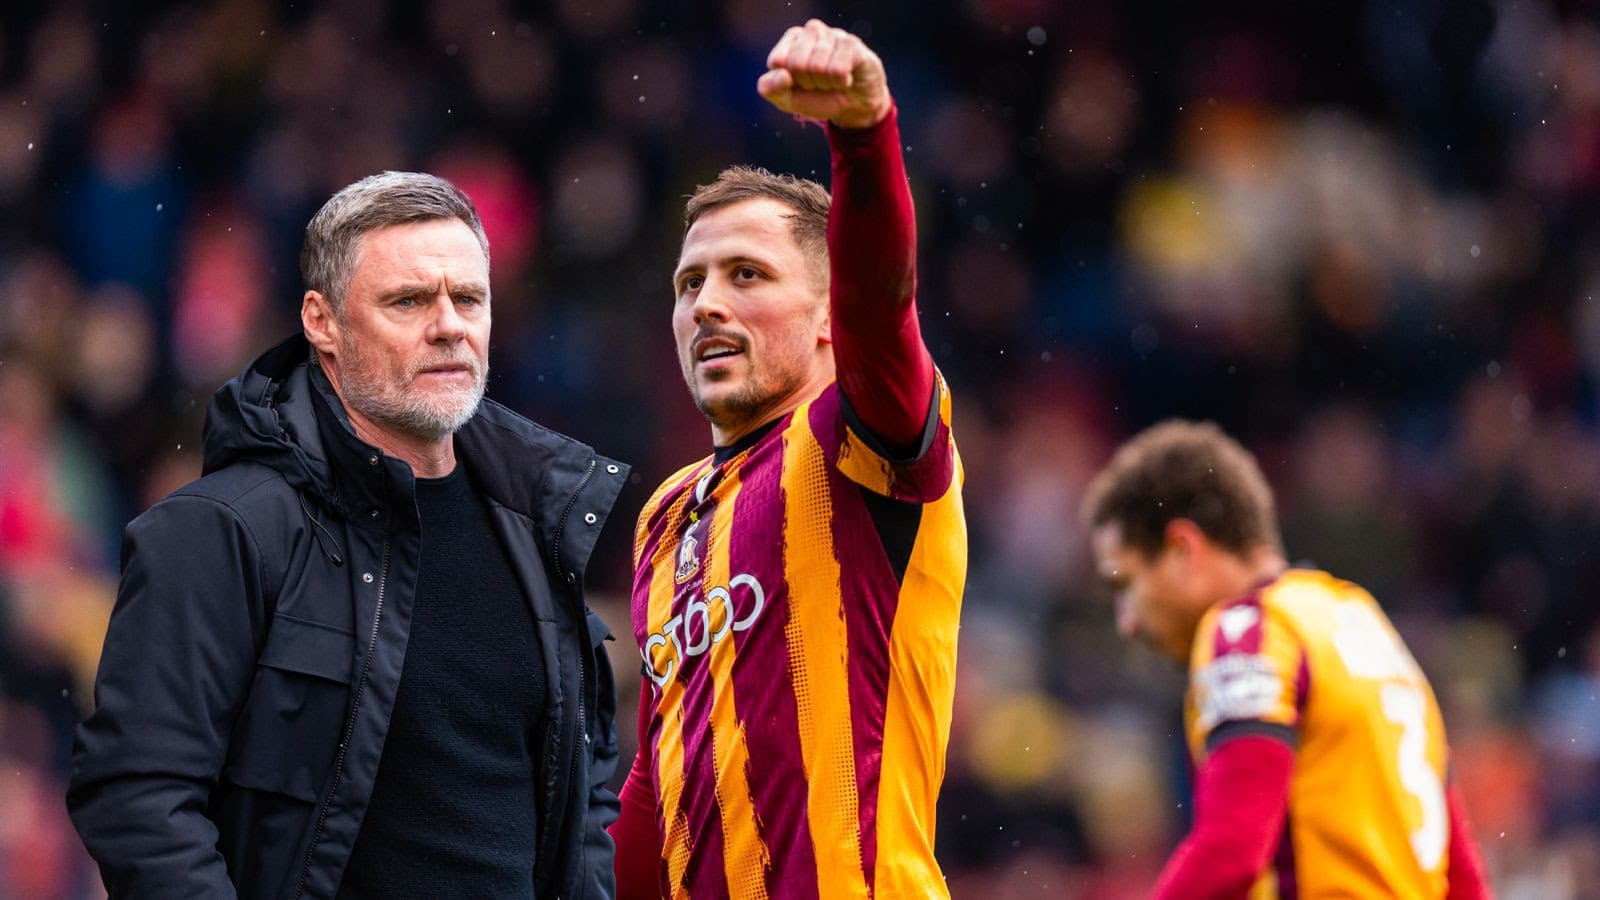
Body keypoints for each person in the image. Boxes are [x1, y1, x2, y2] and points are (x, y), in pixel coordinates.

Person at [67, 172, 629, 899]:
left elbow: (583, 801)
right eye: (408, 300)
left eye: (469, 298)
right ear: (320, 321)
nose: (449, 324)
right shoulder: (216, 532)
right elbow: (138, 800)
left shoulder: (541, 529)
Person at [607, 19, 967, 899]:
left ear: (825, 316)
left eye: (748, 275)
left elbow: (883, 309)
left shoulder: (858, 441)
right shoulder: (668, 512)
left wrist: (863, 135)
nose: (707, 307)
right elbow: (660, 787)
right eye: (690, 284)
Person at [1082, 419, 1492, 898]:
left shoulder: (1250, 630)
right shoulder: (1363, 625)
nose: (1126, 620)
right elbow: (1461, 874)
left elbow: (1230, 851)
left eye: (1124, 584)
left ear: (1181, 549)